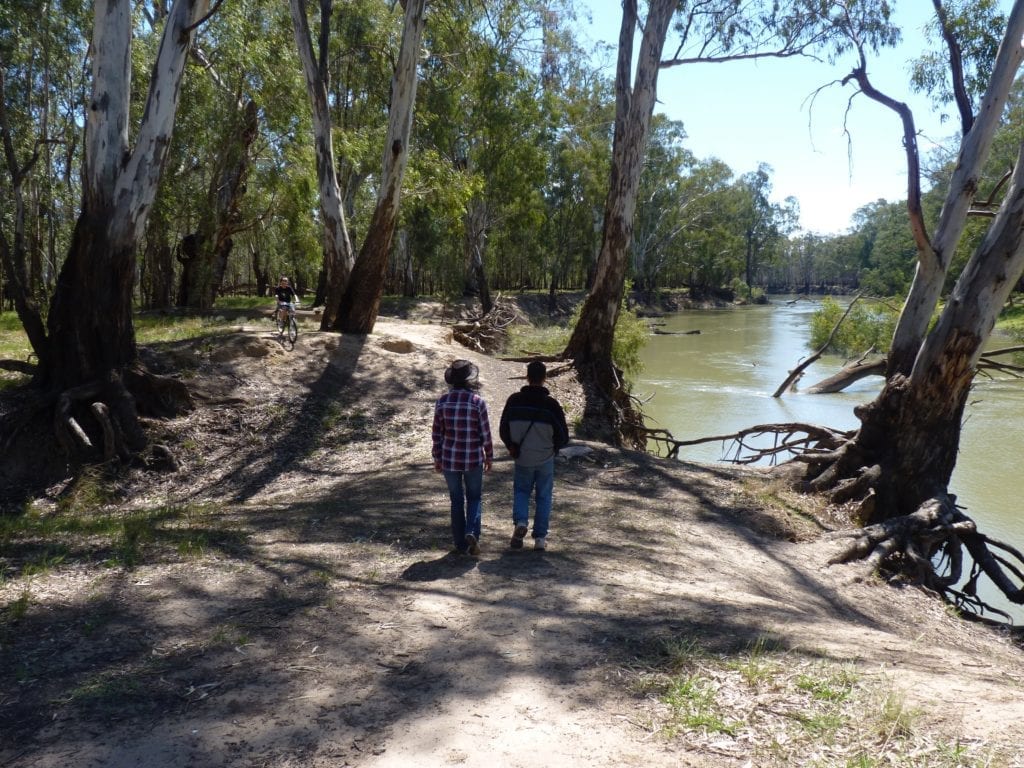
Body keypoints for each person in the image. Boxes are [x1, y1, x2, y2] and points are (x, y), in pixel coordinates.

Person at [499, 360, 569, 551]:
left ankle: (521, 522)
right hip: (545, 458)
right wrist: (553, 449)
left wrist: (511, 446)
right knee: (544, 496)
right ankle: (540, 538)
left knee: (521, 491)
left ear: (527, 377)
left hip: (522, 457)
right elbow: (563, 435)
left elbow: (503, 428)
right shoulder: (551, 405)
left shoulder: (514, 401)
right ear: (544, 378)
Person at [432, 359, 494, 556]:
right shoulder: (477, 403)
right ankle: (472, 532)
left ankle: (460, 543)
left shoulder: (442, 402)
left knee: (456, 500)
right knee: (474, 497)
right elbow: (485, 433)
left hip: (449, 459)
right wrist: (489, 456)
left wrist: (437, 457)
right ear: (469, 379)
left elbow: (437, 434)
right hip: (473, 459)